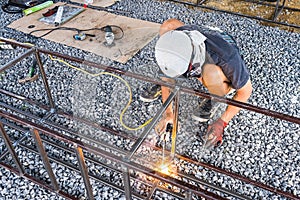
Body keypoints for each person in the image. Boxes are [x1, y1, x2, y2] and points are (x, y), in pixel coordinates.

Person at [140, 18, 253, 148]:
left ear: (192, 64)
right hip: (202, 37)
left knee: (211, 74)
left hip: (220, 44)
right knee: (168, 25)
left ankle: (217, 96)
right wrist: (169, 113)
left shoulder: (226, 57)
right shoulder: (176, 40)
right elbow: (166, 78)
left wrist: (222, 122)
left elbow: (245, 91)